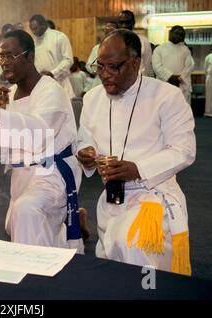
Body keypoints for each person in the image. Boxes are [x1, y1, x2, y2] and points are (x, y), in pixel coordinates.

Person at [77, 29, 196, 275]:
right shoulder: (92, 98)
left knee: (133, 251)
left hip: (152, 196)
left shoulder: (166, 96)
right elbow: (84, 139)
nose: (105, 75)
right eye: (100, 67)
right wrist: (85, 153)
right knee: (112, 263)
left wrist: (138, 169)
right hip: (111, 196)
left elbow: (184, 150)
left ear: (136, 63)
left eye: (114, 67)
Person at [0, 30, 84, 252]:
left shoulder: (50, 90)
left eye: (10, 56)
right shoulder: (9, 94)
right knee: (18, 224)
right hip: (21, 176)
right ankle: (63, 239)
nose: (4, 62)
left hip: (51, 174)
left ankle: (37, 279)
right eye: (1, 57)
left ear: (30, 57)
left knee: (27, 210)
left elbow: (39, 136)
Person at [29, 14, 75, 99]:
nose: (34, 32)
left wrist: (53, 73)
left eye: (35, 28)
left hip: (60, 83)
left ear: (43, 25)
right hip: (43, 86)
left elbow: (68, 60)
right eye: (32, 30)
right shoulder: (33, 42)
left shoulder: (59, 37)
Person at [152, 26, 194, 104]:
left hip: (181, 84)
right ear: (170, 33)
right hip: (164, 84)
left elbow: (189, 66)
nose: (178, 36)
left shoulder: (186, 50)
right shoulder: (159, 49)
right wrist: (170, 77)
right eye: (176, 33)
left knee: (181, 108)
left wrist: (180, 78)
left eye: (181, 35)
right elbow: (157, 66)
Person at [118, 10, 154, 77]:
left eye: (127, 22)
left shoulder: (143, 41)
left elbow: (147, 62)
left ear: (133, 23)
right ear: (118, 23)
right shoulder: (113, 41)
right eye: (121, 22)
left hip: (139, 80)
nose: (124, 25)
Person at [86, 21, 118, 90]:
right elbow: (88, 66)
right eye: (107, 31)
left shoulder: (121, 48)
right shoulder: (97, 48)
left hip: (116, 81)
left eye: (111, 31)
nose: (109, 34)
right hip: (99, 82)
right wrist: (99, 68)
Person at [204, 52, 212, 117]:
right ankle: (208, 112)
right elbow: (205, 68)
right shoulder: (208, 56)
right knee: (209, 94)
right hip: (210, 77)